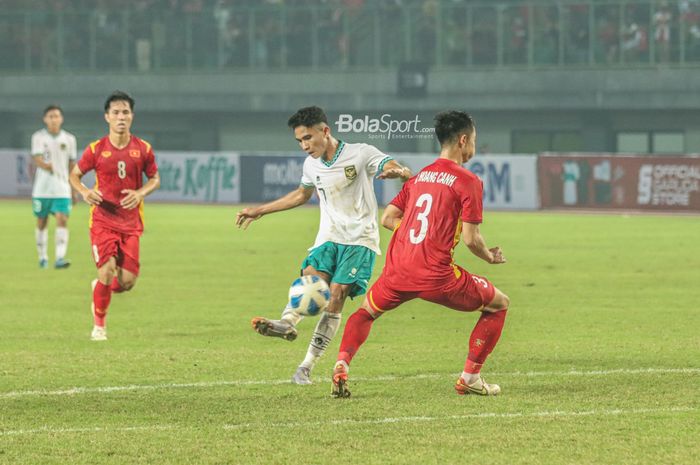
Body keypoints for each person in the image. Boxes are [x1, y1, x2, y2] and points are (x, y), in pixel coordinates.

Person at [331, 111, 510, 398]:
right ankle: (470, 377)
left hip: (398, 271)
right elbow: (471, 239)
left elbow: (388, 218)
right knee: (498, 304)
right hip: (436, 276)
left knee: (366, 312)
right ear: (463, 141)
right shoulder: (468, 181)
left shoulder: (419, 178)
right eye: (474, 140)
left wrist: (417, 236)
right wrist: (489, 256)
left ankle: (342, 363)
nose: (474, 145)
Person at [236, 105, 411, 385]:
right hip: (328, 236)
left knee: (336, 295)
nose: (304, 146)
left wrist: (397, 171)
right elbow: (301, 195)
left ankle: (305, 366)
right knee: (311, 281)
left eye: (308, 138)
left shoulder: (360, 152)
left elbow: (390, 165)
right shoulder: (311, 164)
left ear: (325, 131)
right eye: (300, 141)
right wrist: (261, 210)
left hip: (360, 240)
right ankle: (288, 322)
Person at [68, 91, 160, 341]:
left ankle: (99, 287)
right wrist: (85, 192)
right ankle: (99, 326)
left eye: (126, 112)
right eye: (116, 112)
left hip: (130, 223)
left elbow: (155, 179)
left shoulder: (143, 149)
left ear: (132, 116)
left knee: (127, 282)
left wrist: (140, 193)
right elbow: (74, 175)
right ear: (107, 117)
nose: (121, 117)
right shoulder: (96, 149)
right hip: (102, 221)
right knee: (107, 271)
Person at [31, 105, 78, 269]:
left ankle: (60, 257)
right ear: (45, 119)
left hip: (62, 187)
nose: (53, 119)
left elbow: (72, 164)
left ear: (61, 118)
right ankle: (43, 257)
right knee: (42, 221)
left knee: (62, 219)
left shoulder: (70, 139)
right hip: (42, 188)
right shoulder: (38, 137)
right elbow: (36, 158)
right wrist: (46, 166)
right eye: (50, 116)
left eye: (56, 116)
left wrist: (74, 188)